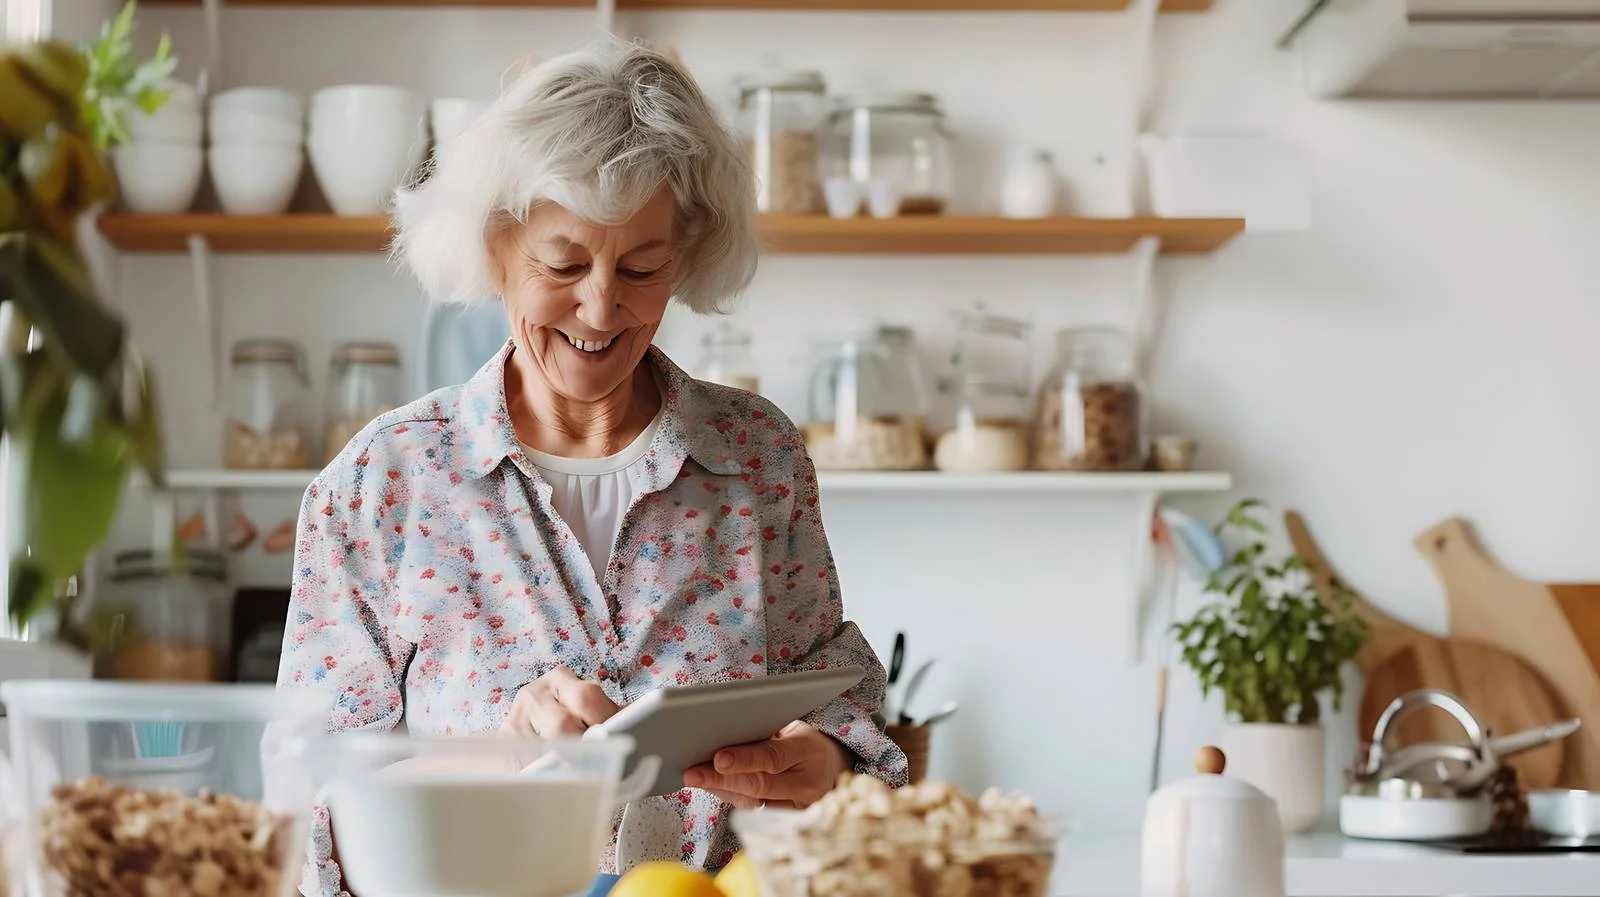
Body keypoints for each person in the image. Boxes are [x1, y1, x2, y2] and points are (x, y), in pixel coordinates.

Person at [276, 36, 908, 895]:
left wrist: (825, 763)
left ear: (685, 255)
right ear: (496, 247)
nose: (602, 307)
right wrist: (501, 761)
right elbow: (301, 820)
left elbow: (841, 696)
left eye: (642, 266)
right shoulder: (381, 483)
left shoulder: (758, 458)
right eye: (564, 263)